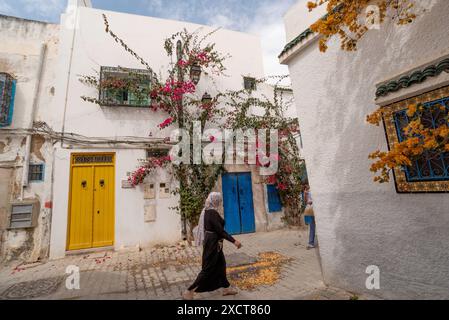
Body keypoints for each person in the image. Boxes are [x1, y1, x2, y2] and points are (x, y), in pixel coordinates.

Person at [183, 192, 242, 300]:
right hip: (213, 244)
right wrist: (234, 241)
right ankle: (189, 291)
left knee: (221, 265)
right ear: (215, 201)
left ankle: (226, 288)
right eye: (218, 200)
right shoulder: (212, 213)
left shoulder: (207, 211)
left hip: (214, 243)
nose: (220, 202)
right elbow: (220, 231)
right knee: (207, 269)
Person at [304, 185, 316, 249]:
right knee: (312, 225)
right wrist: (305, 194)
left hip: (318, 209)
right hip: (312, 210)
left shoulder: (316, 187)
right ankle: (311, 243)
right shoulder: (308, 190)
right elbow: (306, 201)